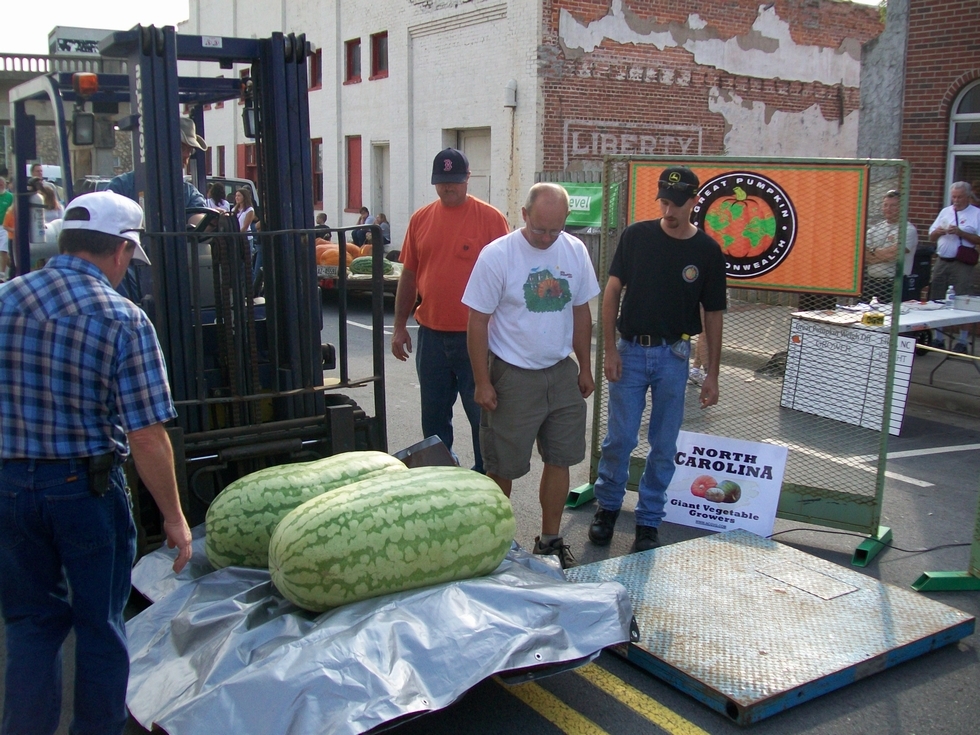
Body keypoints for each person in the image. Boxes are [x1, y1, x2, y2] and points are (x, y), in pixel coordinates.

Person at [0, 191, 193, 735]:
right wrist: (175, 518)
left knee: (31, 624)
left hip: (9, 486)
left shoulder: (5, 300)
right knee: (100, 625)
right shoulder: (123, 318)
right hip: (84, 490)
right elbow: (147, 435)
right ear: (121, 250)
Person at [589, 166, 727, 553]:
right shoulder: (636, 236)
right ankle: (607, 508)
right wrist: (610, 349)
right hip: (631, 351)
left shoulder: (707, 251)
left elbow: (714, 314)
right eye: (664, 202)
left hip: (674, 356)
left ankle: (649, 520)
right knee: (620, 438)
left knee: (664, 445)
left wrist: (712, 374)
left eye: (676, 204)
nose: (668, 210)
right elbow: (611, 291)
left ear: (694, 201)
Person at [463, 183, 599, 568]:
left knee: (561, 458)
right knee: (502, 466)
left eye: (555, 229)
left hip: (561, 372)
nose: (546, 238)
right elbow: (477, 322)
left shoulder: (575, 250)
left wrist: (585, 366)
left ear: (566, 220)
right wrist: (482, 381)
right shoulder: (498, 255)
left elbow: (581, 312)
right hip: (512, 374)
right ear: (524, 215)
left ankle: (550, 540)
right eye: (539, 228)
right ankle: (495, 546)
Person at [392, 148, 510, 472]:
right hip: (431, 337)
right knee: (433, 419)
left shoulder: (491, 219)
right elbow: (409, 275)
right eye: (442, 182)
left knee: (482, 417)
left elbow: (509, 277)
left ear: (468, 178)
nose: (448, 187)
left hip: (477, 338)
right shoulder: (420, 219)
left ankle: (485, 478)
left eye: (455, 181)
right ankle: (441, 478)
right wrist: (399, 326)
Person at [109, 116, 209, 302]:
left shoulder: (186, 191)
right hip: (132, 270)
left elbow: (198, 217)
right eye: (182, 148)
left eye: (189, 150)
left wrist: (209, 222)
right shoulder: (122, 186)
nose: (187, 156)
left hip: (174, 270)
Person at [929, 181, 980, 352]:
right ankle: (938, 338)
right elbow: (931, 236)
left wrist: (961, 232)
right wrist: (939, 232)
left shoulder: (976, 214)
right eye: (954, 197)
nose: (956, 201)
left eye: (960, 197)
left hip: (962, 263)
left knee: (963, 299)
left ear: (968, 196)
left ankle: (963, 341)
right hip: (942, 261)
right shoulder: (945, 211)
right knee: (936, 297)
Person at [864, 189, 918, 302]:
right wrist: (883, 254)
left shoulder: (908, 229)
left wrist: (872, 252)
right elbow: (862, 256)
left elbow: (894, 254)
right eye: (885, 205)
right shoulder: (874, 229)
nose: (888, 209)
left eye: (893, 206)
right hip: (871, 284)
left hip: (894, 284)